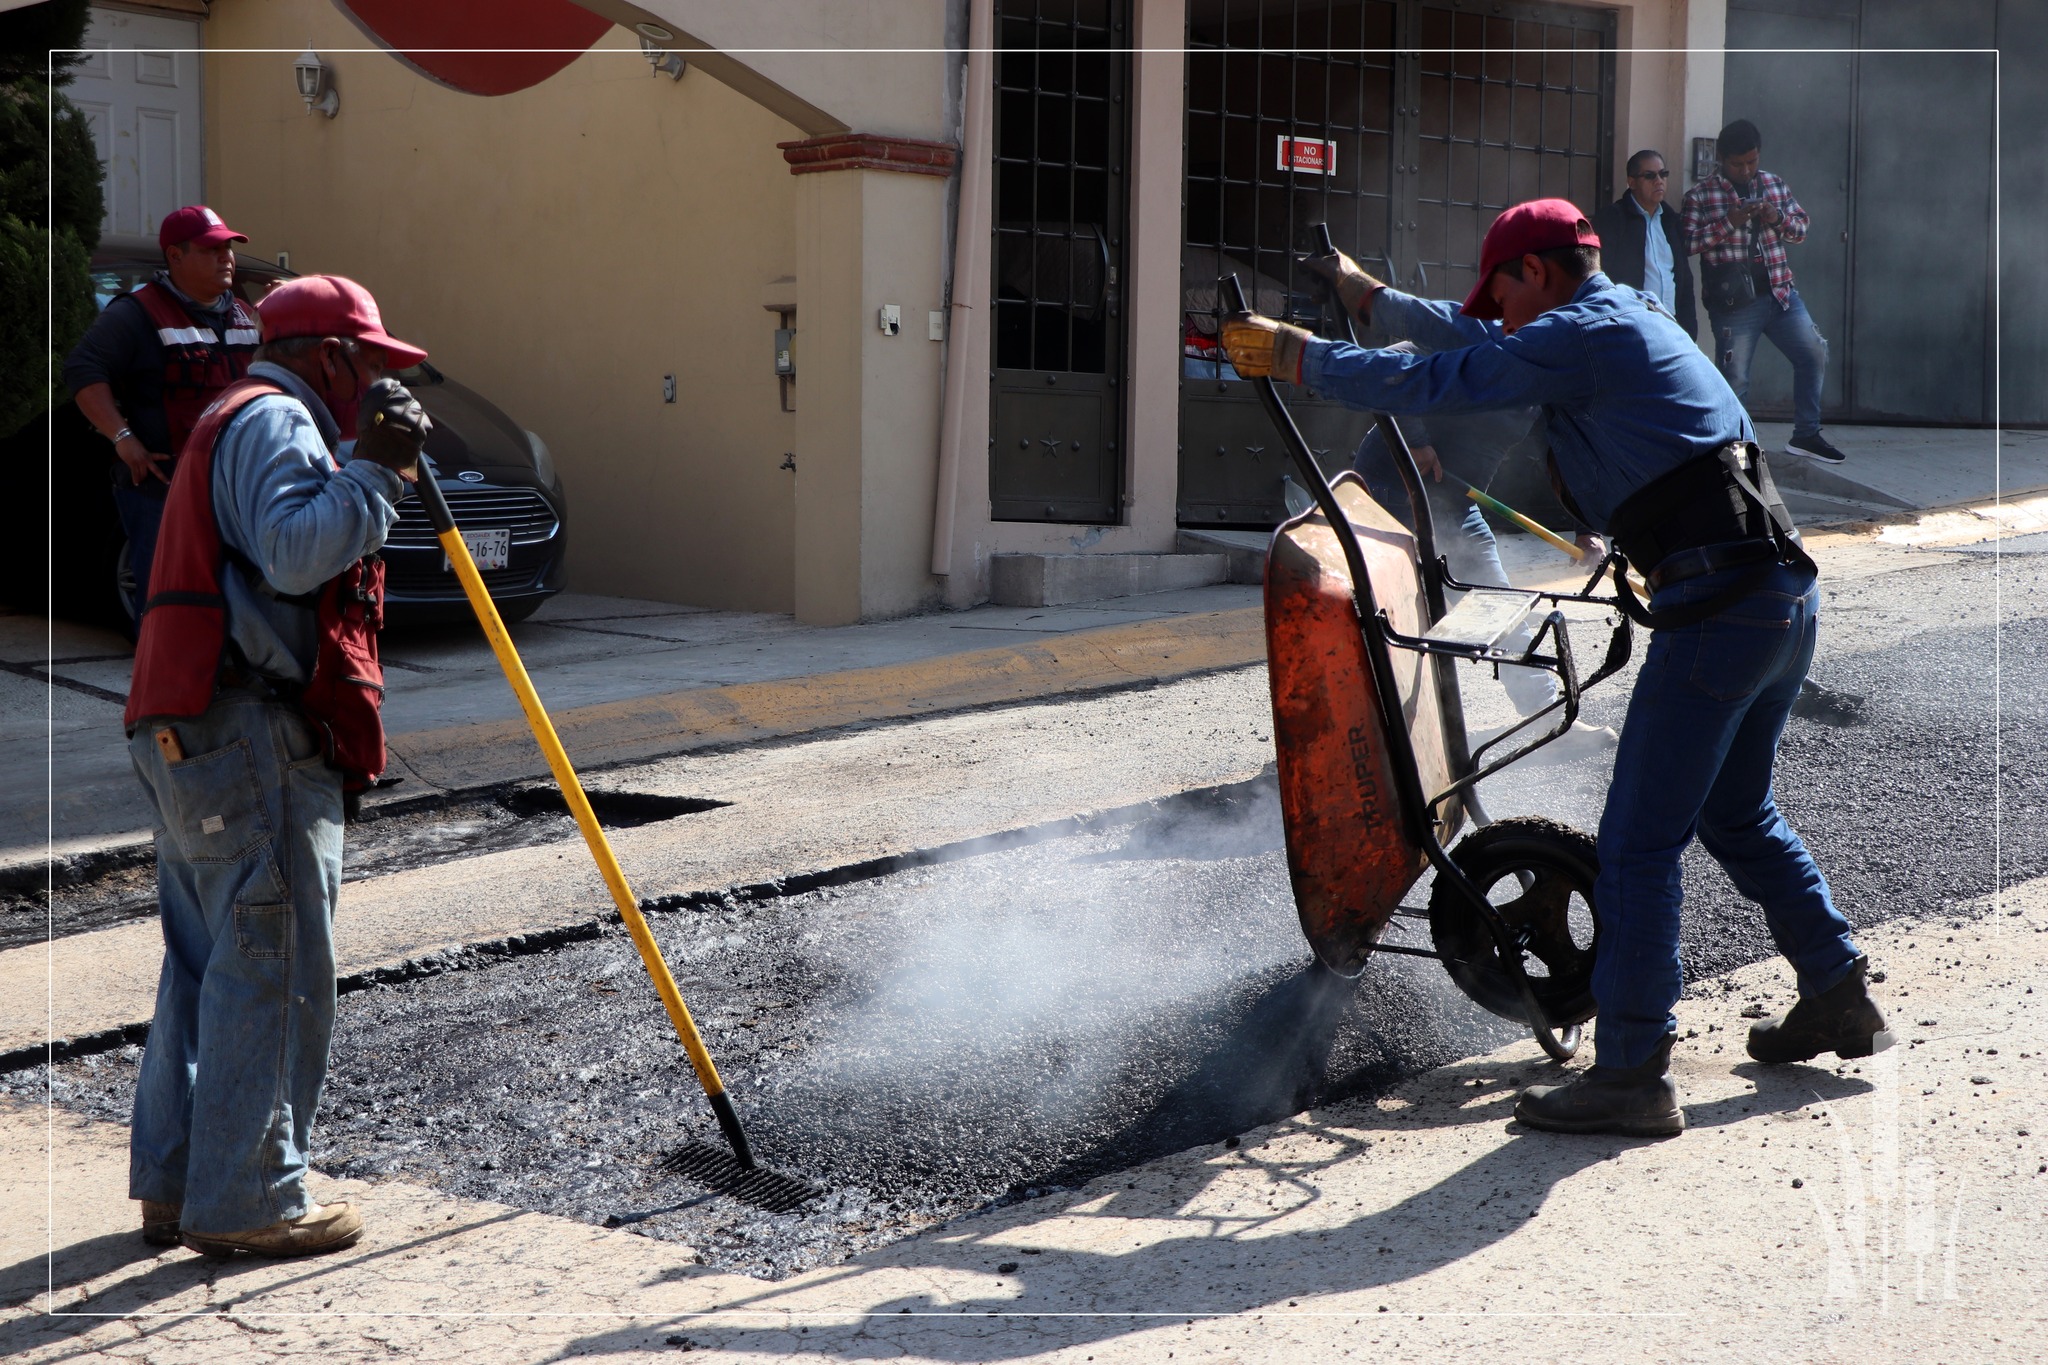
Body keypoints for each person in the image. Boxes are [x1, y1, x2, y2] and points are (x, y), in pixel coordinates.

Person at [1222, 199, 1891, 1138]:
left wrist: (1301, 356)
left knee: (1636, 845)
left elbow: (1457, 370)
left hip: (1719, 611)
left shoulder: (1582, 334)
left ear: (1534, 271)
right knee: (1738, 813)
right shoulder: (1623, 320)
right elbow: (1467, 334)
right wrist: (1364, 295)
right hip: (1780, 598)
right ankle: (1840, 990)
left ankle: (1629, 1073)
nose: (1495, 312)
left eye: (1502, 292)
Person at [122, 276, 431, 1256]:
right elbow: (295, 554)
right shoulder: (275, 422)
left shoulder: (230, 414)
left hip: (188, 729)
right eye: (370, 364)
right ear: (327, 356)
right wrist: (377, 473)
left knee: (207, 963)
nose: (376, 382)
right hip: (247, 731)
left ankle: (179, 1182)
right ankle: (252, 1191)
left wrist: (363, 465)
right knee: (275, 962)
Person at [63, 205, 263, 618]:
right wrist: (123, 440)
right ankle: (171, 682)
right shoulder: (137, 313)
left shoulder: (247, 314)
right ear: (175, 256)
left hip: (240, 488)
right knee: (170, 599)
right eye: (210, 249)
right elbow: (82, 370)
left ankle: (228, 674)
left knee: (240, 594)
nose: (226, 258)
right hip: (164, 490)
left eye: (228, 248)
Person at [1682, 119, 1844, 464]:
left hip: (1781, 294)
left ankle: (1806, 435)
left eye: (1752, 162)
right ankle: (1731, 448)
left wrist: (1775, 215)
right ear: (1721, 160)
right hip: (1735, 304)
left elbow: (1801, 229)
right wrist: (1732, 221)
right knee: (1736, 377)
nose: (1746, 170)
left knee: (1814, 352)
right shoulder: (1700, 195)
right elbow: (1689, 243)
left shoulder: (1773, 183)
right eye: (1738, 163)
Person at [1592, 149, 1698, 342]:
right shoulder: (1613, 218)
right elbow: (1600, 276)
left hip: (1671, 325)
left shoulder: (1670, 220)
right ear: (1631, 182)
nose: (1659, 181)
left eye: (1663, 174)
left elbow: (1683, 277)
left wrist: (1689, 331)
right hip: (1632, 327)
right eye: (1650, 176)